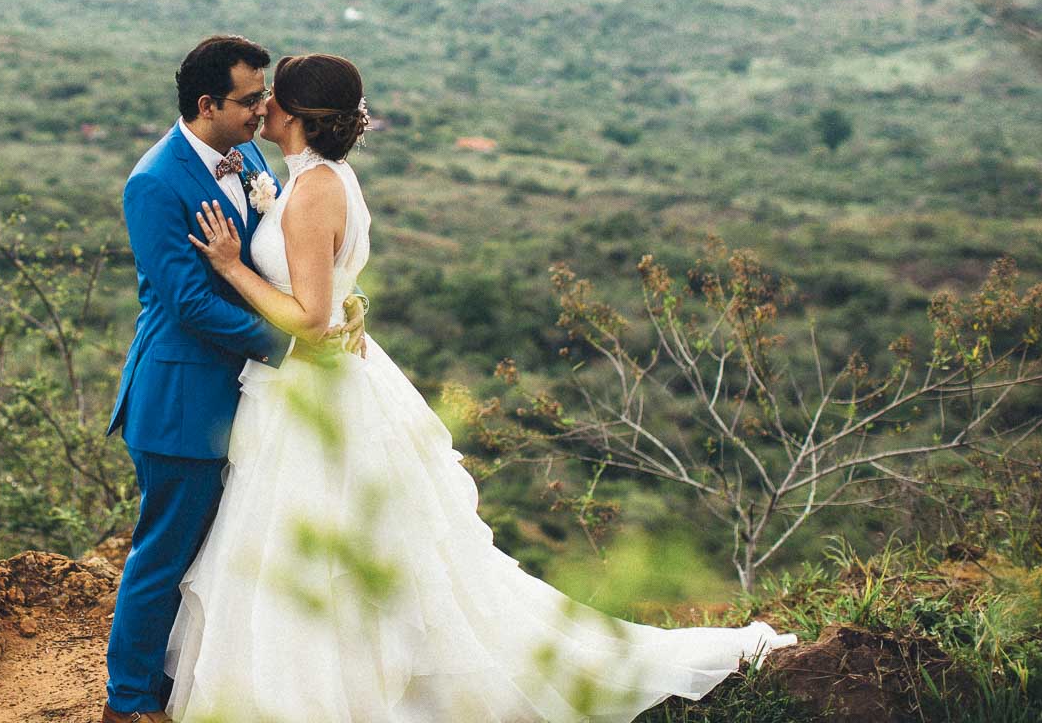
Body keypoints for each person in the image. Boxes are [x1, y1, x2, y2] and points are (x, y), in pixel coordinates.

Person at [167, 52, 796, 722]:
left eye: (270, 99)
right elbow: (330, 284)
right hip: (322, 382)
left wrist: (234, 267)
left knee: (317, 544)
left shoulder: (315, 189)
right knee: (328, 545)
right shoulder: (324, 178)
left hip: (314, 385)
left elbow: (308, 317)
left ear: (292, 114)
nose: (259, 108)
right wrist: (350, 302)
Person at [102, 35, 364, 723]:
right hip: (182, 396)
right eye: (251, 100)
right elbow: (188, 302)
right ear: (207, 103)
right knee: (164, 554)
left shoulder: (246, 155)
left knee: (220, 556)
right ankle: (128, 702)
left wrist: (331, 308)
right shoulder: (154, 182)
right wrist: (297, 347)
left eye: (266, 98)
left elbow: (283, 258)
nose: (264, 109)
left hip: (249, 398)